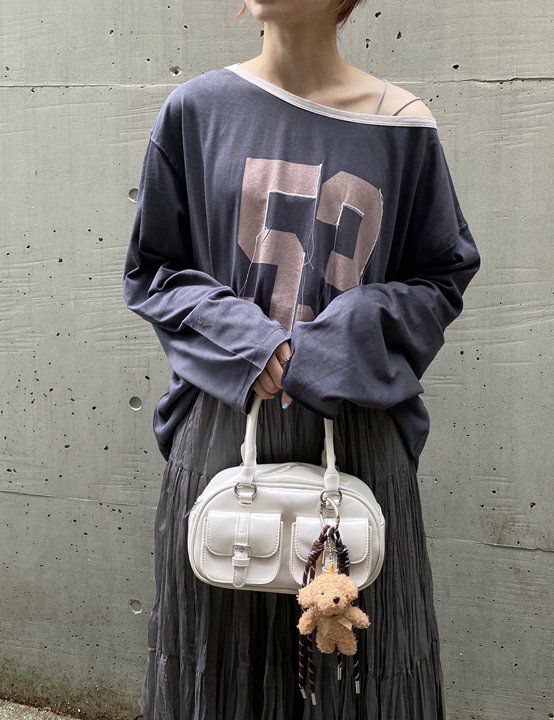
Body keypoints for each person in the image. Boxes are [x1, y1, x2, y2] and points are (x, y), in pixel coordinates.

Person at [122, 1, 481, 717]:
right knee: (217, 674)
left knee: (357, 672)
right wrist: (249, 341)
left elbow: (441, 278)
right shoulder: (195, 111)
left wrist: (333, 343)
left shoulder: (401, 124)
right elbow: (152, 269)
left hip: (358, 440)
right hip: (224, 434)